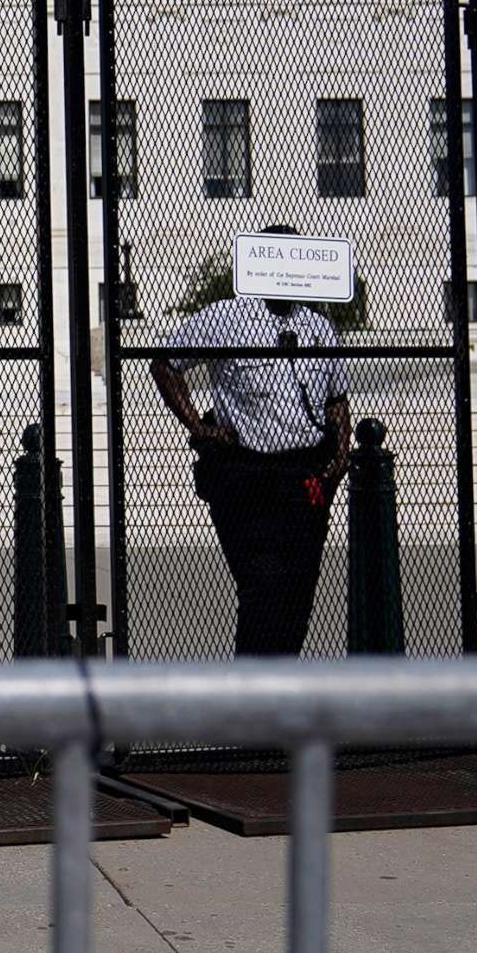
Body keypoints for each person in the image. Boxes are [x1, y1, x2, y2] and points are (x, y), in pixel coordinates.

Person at [149, 226, 352, 658]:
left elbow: (336, 398)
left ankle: (270, 695)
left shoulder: (317, 326)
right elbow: (165, 363)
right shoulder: (227, 317)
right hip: (246, 473)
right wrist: (199, 427)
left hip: (304, 475)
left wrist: (340, 451)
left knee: (298, 591)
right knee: (263, 585)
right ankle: (249, 698)